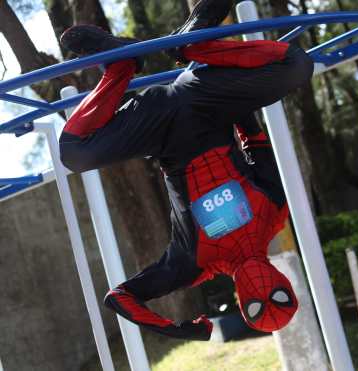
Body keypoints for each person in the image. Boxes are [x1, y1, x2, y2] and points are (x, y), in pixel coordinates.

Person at [58, 0, 314, 340]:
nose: (263, 292)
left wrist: (181, 331)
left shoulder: (193, 266)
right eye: (277, 296)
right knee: (297, 65)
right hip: (206, 102)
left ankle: (121, 66)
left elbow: (120, 298)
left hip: (159, 131)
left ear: (241, 301)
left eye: (255, 306)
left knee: (74, 153)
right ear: (285, 284)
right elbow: (255, 141)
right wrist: (240, 96)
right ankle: (195, 46)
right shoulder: (274, 213)